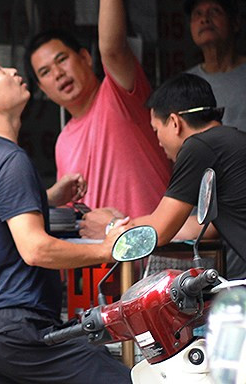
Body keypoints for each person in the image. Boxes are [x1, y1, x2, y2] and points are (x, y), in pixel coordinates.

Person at [0, 51, 130, 384]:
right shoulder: (9, 159)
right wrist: (106, 250)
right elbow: (35, 249)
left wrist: (49, 198)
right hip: (19, 331)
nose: (13, 71)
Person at [26, 0, 171, 218]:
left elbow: (113, 49)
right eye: (45, 72)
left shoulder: (117, 95)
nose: (58, 74)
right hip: (103, 261)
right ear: (41, 88)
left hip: (155, 253)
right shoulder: (63, 140)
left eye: (62, 59)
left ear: (85, 57)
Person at [80, 73, 246, 276]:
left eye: (156, 130)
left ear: (175, 122)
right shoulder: (229, 141)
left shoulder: (199, 147)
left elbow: (159, 232)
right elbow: (201, 226)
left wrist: (111, 227)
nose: (158, 142)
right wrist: (128, 222)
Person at [184, 0, 246, 132]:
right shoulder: (185, 85)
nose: (204, 19)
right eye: (197, 14)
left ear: (235, 23)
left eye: (214, 12)